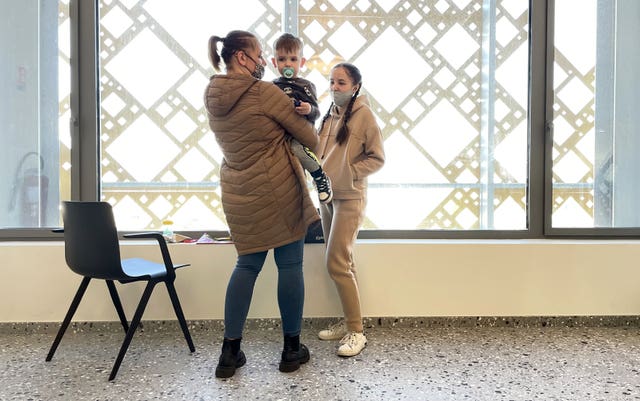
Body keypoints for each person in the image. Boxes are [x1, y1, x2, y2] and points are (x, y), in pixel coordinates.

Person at [204, 30, 320, 378]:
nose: (261, 63)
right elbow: (310, 137)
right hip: (278, 189)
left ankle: (229, 353)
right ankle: (290, 349)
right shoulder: (263, 93)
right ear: (242, 57)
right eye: (257, 55)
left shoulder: (212, 93)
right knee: (290, 266)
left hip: (238, 191)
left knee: (246, 266)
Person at [315, 62, 385, 357]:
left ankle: (357, 332)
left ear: (355, 86)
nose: (335, 88)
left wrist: (348, 173)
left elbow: (377, 158)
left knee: (336, 263)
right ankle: (349, 322)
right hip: (326, 198)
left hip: (350, 197)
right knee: (345, 261)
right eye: (332, 82)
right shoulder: (328, 116)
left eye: (341, 83)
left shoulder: (364, 115)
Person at [271, 33, 332, 204]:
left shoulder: (305, 86)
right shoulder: (272, 86)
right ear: (274, 62)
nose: (288, 64)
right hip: (278, 136)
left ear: (301, 62)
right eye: (282, 59)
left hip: (298, 135)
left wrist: (308, 109)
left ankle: (319, 177)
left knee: (298, 151)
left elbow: (317, 112)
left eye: (293, 59)